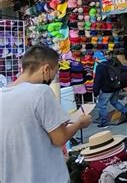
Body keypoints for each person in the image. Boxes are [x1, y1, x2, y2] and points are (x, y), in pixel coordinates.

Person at [0, 45, 92, 183]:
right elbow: (59, 138)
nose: (54, 77)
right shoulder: (40, 92)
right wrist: (80, 123)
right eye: (55, 73)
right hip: (44, 176)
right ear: (46, 69)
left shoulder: (2, 95)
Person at [93, 53, 127, 128]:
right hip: (116, 87)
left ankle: (104, 122)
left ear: (97, 58)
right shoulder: (111, 63)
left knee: (102, 106)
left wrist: (95, 92)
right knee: (114, 101)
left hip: (107, 90)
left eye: (95, 58)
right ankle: (126, 111)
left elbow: (97, 80)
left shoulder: (99, 67)